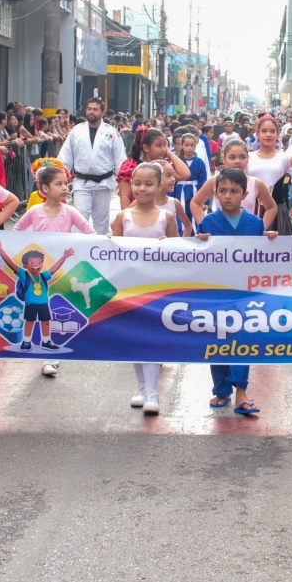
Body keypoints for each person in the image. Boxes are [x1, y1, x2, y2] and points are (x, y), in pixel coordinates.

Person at [195, 167, 279, 416]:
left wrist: (270, 238)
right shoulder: (208, 223)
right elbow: (195, 257)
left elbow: (263, 255)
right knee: (218, 339)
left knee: (243, 339)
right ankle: (221, 390)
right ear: (215, 193)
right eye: (223, 191)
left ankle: (241, 391)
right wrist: (199, 241)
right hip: (217, 293)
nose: (228, 196)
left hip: (245, 292)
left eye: (234, 191)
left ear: (245, 195)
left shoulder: (255, 223)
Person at [14, 164, 94, 377]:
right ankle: (46, 358)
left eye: (66, 184)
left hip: (62, 270)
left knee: (56, 311)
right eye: (58, 184)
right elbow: (16, 231)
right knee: (41, 312)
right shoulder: (34, 212)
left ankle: (53, 350)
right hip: (39, 275)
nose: (65, 188)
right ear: (44, 188)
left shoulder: (70, 211)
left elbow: (89, 231)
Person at [111, 162, 177, 415]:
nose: (142, 188)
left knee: (150, 338)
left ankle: (152, 391)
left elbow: (179, 252)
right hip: (129, 289)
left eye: (149, 184)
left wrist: (169, 245)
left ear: (159, 186)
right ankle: (141, 387)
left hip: (157, 289)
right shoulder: (123, 217)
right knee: (134, 338)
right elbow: (111, 253)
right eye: (137, 183)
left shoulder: (166, 217)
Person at [58, 98, 126, 233]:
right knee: (79, 219)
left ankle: (100, 246)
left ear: (102, 112)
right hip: (82, 182)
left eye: (95, 109)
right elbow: (65, 156)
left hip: (104, 182)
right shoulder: (77, 131)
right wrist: (60, 177)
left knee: (101, 221)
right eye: (89, 109)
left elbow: (120, 158)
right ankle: (79, 245)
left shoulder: (111, 132)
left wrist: (122, 180)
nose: (91, 112)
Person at [188, 138, 276, 230]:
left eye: (242, 157)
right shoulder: (214, 181)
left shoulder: (256, 183)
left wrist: (261, 229)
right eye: (232, 157)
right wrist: (204, 227)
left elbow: (271, 207)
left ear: (248, 159)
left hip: (247, 234)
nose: (237, 161)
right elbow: (195, 203)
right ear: (224, 159)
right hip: (220, 233)